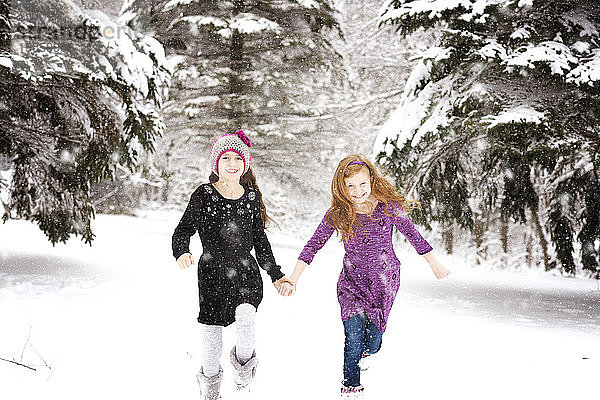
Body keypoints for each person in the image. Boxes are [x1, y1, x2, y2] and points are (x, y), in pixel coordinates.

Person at [278, 154, 451, 399]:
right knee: (353, 334)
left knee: (373, 342)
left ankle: (367, 354)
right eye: (350, 186)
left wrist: (435, 265)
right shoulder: (339, 213)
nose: (357, 191)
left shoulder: (388, 208)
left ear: (371, 179)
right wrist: (293, 278)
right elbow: (313, 245)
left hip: (384, 282)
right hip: (352, 284)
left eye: (362, 184)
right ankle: (351, 388)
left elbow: (414, 236)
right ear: (342, 187)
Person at [172, 130, 294, 400]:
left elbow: (260, 241)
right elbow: (182, 230)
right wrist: (181, 252)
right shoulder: (203, 195)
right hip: (212, 273)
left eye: (237, 158)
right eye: (225, 157)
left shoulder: (250, 198)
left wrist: (276, 274)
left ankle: (242, 377)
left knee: (247, 320)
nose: (231, 163)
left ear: (245, 164)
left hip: (245, 272)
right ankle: (211, 389)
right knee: (211, 338)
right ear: (216, 164)